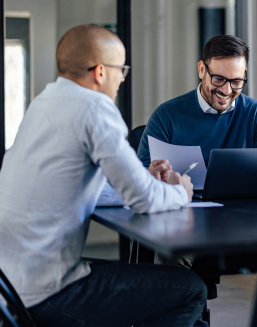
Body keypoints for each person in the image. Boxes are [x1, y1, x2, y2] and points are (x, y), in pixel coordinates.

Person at [0, 24, 207, 327]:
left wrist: (141, 176)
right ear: (99, 72)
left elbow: (84, 188)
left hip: (13, 287)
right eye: (120, 69)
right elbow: (144, 200)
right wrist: (182, 190)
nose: (123, 77)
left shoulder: (44, 103)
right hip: (48, 293)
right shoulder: (94, 108)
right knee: (189, 288)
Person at [136, 34, 257, 170]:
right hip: (184, 196)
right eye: (218, 79)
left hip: (242, 197)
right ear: (201, 70)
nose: (226, 90)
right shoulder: (166, 116)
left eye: (236, 81)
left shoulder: (256, 113)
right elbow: (142, 182)